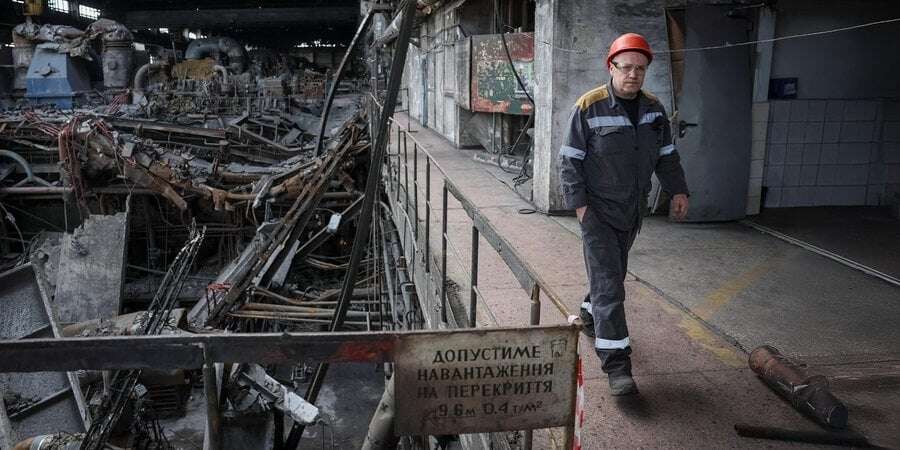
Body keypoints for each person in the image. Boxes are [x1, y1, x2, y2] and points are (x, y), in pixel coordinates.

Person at [558, 33, 689, 396]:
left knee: (610, 275)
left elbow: (666, 155)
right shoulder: (589, 106)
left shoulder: (653, 109)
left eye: (641, 68)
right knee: (611, 287)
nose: (633, 74)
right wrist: (581, 207)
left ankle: (588, 314)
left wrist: (678, 189)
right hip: (597, 212)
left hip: (632, 210)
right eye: (626, 67)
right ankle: (617, 366)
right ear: (611, 67)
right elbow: (569, 160)